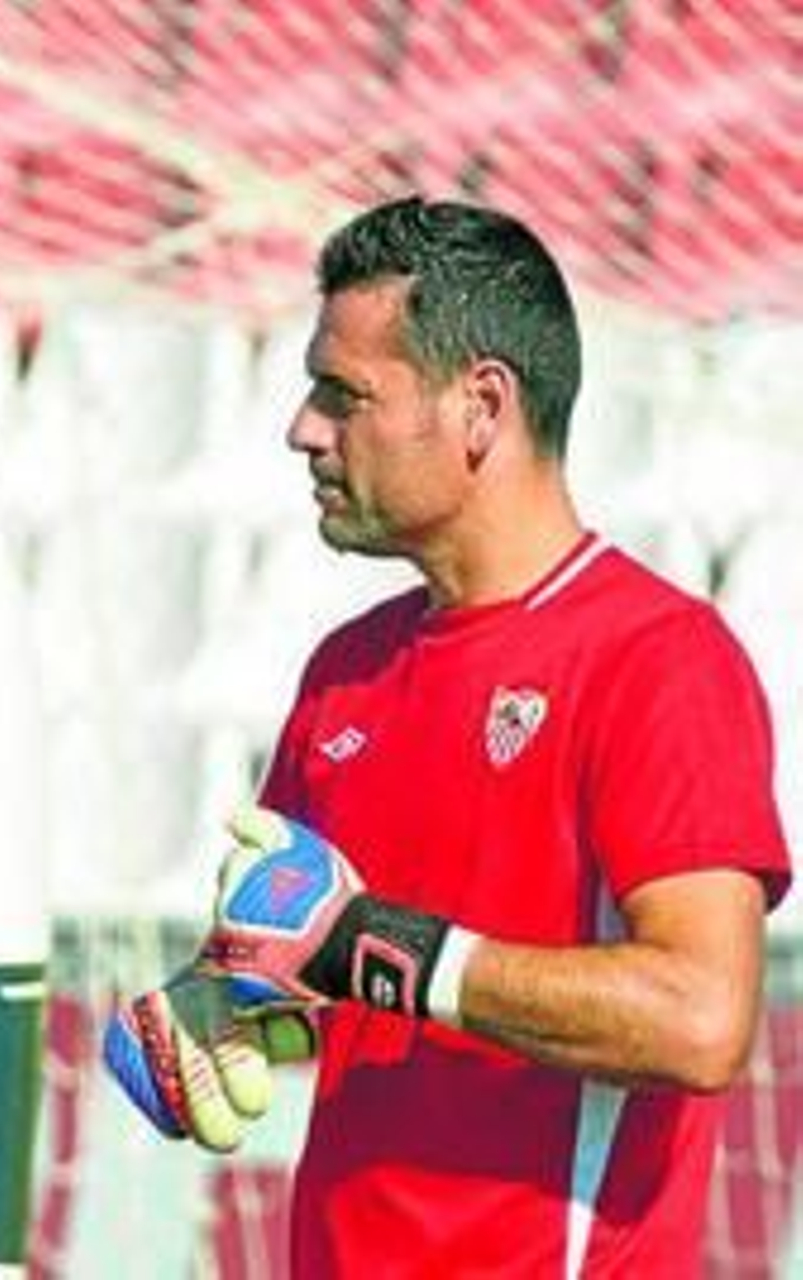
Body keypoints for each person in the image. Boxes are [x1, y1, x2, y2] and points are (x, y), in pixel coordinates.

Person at [104, 195, 791, 1277]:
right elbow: (305, 956)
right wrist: (207, 1010)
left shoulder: (658, 658)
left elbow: (701, 1018)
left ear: (480, 406)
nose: (302, 428)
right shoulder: (345, 672)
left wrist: (387, 952)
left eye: (345, 395)